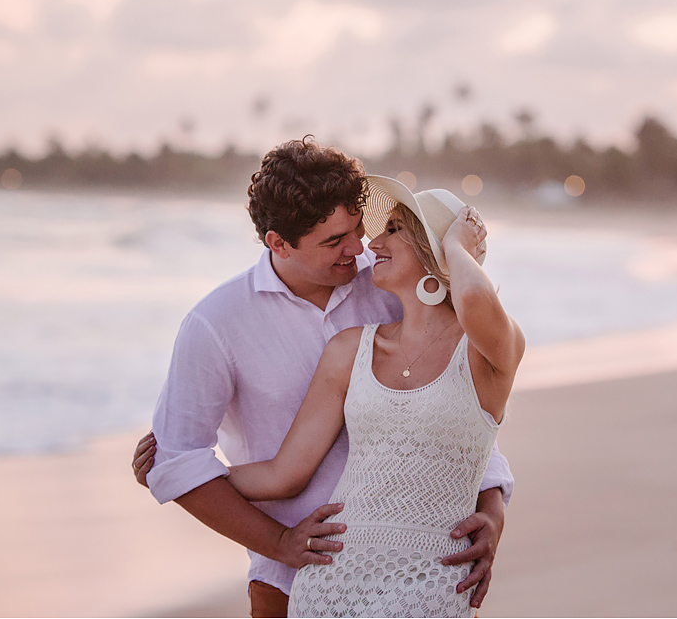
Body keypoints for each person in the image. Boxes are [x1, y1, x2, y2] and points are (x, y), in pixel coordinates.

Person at [132, 138, 513, 617]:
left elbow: (456, 407)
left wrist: (492, 507)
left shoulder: (393, 282)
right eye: (334, 241)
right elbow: (183, 460)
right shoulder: (216, 325)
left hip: (419, 573)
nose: (358, 248)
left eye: (356, 228)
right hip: (291, 579)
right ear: (279, 243)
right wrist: (280, 543)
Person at [223, 176, 525, 617]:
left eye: (395, 229)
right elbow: (283, 473)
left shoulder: (487, 352)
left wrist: (457, 247)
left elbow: (475, 297)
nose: (373, 242)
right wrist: (186, 473)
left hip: (430, 584)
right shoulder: (350, 348)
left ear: (434, 250)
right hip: (329, 585)